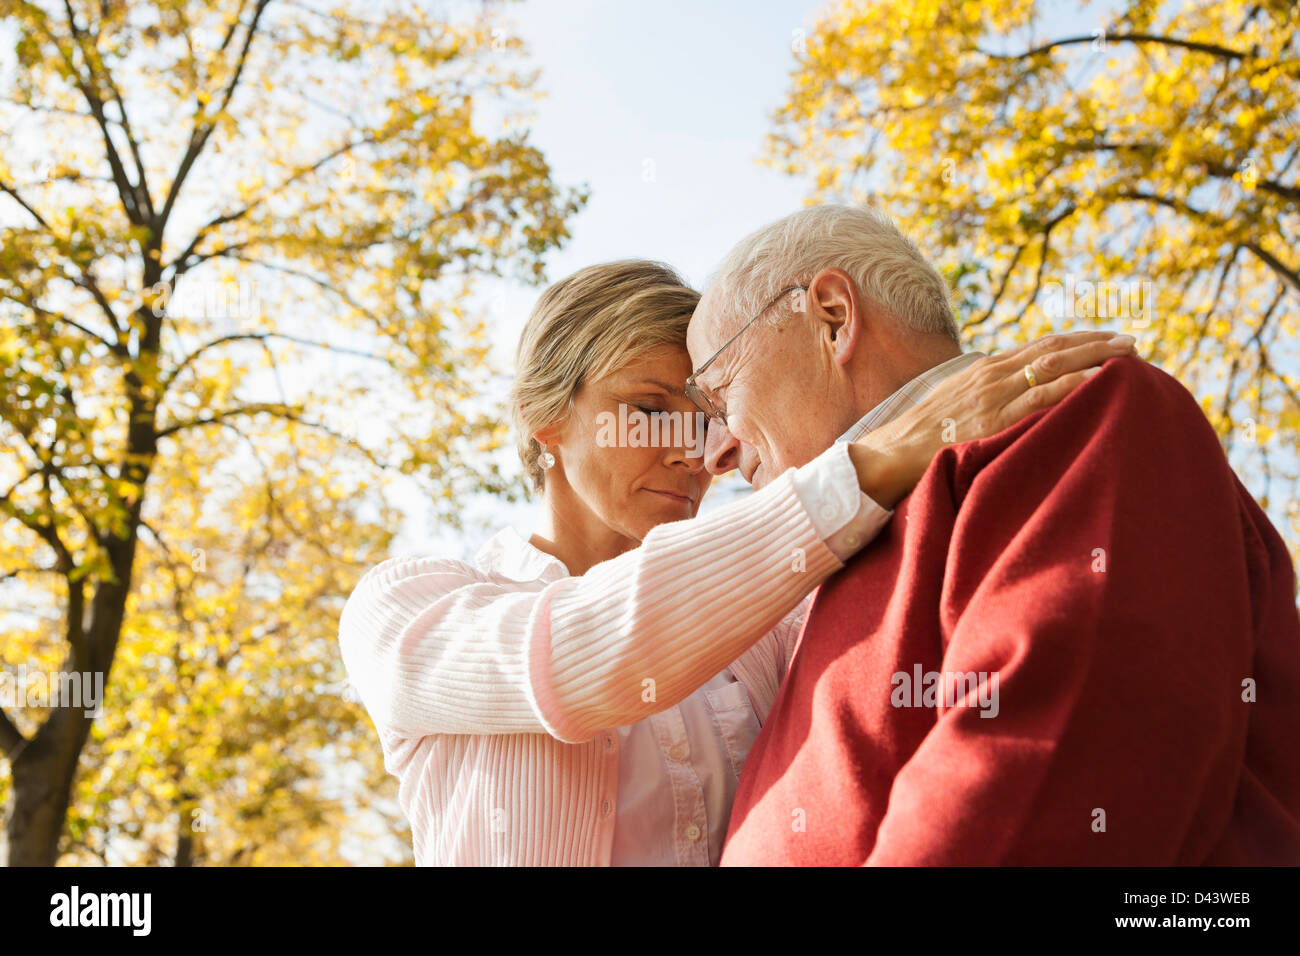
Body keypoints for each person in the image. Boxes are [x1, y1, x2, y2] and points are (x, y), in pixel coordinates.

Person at [338, 258, 1132, 865]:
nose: (694, 454)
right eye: (649, 411)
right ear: (544, 417)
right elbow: (581, 657)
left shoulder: (776, 616)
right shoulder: (408, 608)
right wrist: (877, 458)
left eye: (706, 419)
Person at [678, 203, 1300, 866]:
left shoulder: (1075, 413)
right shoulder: (827, 573)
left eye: (717, 396)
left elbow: (1042, 777)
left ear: (831, 317)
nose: (713, 454)